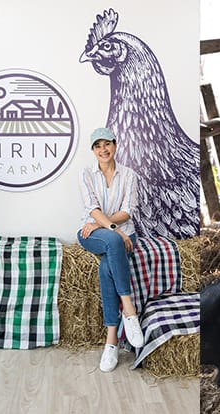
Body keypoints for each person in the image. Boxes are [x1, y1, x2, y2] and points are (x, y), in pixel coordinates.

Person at [77, 127, 145, 372]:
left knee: (107, 267)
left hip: (120, 231)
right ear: (93, 151)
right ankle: (130, 309)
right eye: (98, 146)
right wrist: (113, 228)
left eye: (107, 144)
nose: (103, 150)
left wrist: (106, 224)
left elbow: (128, 210)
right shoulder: (86, 174)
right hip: (91, 233)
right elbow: (91, 209)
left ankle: (111, 342)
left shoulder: (129, 175)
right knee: (115, 241)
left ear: (115, 145)